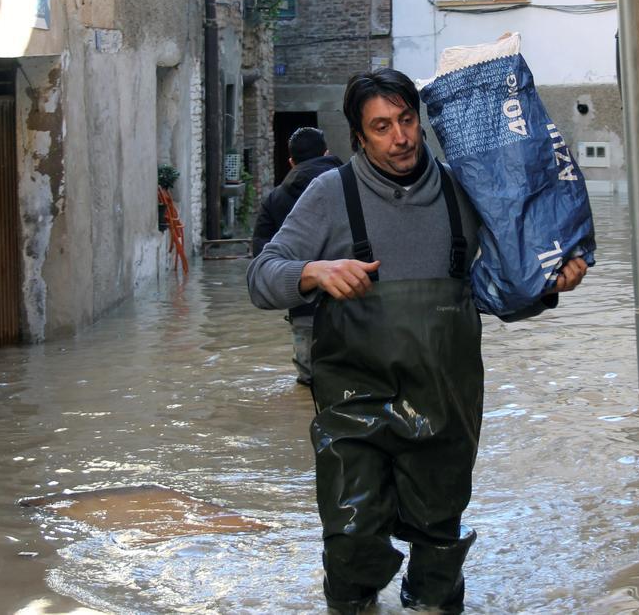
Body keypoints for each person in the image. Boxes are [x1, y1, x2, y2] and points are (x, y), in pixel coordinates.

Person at [247, 69, 587, 614]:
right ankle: (353, 602)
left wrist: (550, 286)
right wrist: (312, 271)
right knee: (351, 535)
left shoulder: (463, 190)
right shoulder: (329, 194)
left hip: (444, 403)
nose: (399, 138)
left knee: (439, 545)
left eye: (406, 120)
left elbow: (502, 295)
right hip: (353, 405)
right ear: (359, 136)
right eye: (381, 127)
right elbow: (261, 276)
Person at [252, 127, 343, 387]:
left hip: (303, 308)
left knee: (309, 385)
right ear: (326, 153)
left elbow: (263, 258)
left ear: (291, 161)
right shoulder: (353, 186)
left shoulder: (275, 199)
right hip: (354, 306)